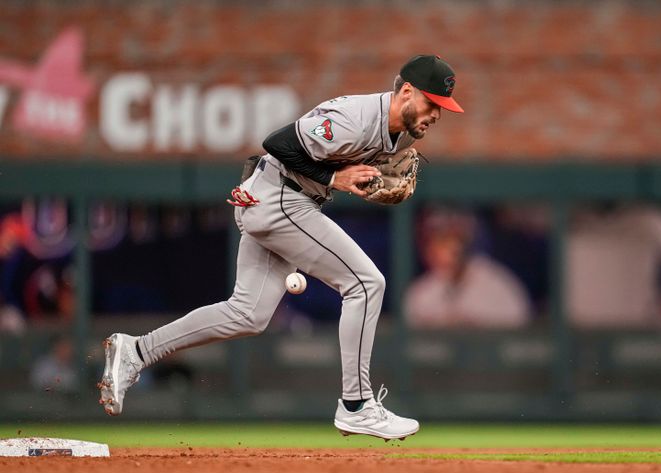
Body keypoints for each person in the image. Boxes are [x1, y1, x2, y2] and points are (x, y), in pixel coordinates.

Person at [98, 54, 464, 441]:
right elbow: (277, 141)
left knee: (247, 314)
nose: (437, 114)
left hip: (280, 199)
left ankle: (136, 351)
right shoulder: (354, 119)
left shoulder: (398, 132)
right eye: (432, 103)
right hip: (281, 200)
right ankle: (356, 405)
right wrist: (334, 177)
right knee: (365, 283)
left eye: (443, 108)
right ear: (406, 91)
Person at [404, 209, 533, 329]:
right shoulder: (421, 292)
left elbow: (520, 323)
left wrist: (473, 324)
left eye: (452, 239)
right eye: (439, 240)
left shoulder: (497, 283)